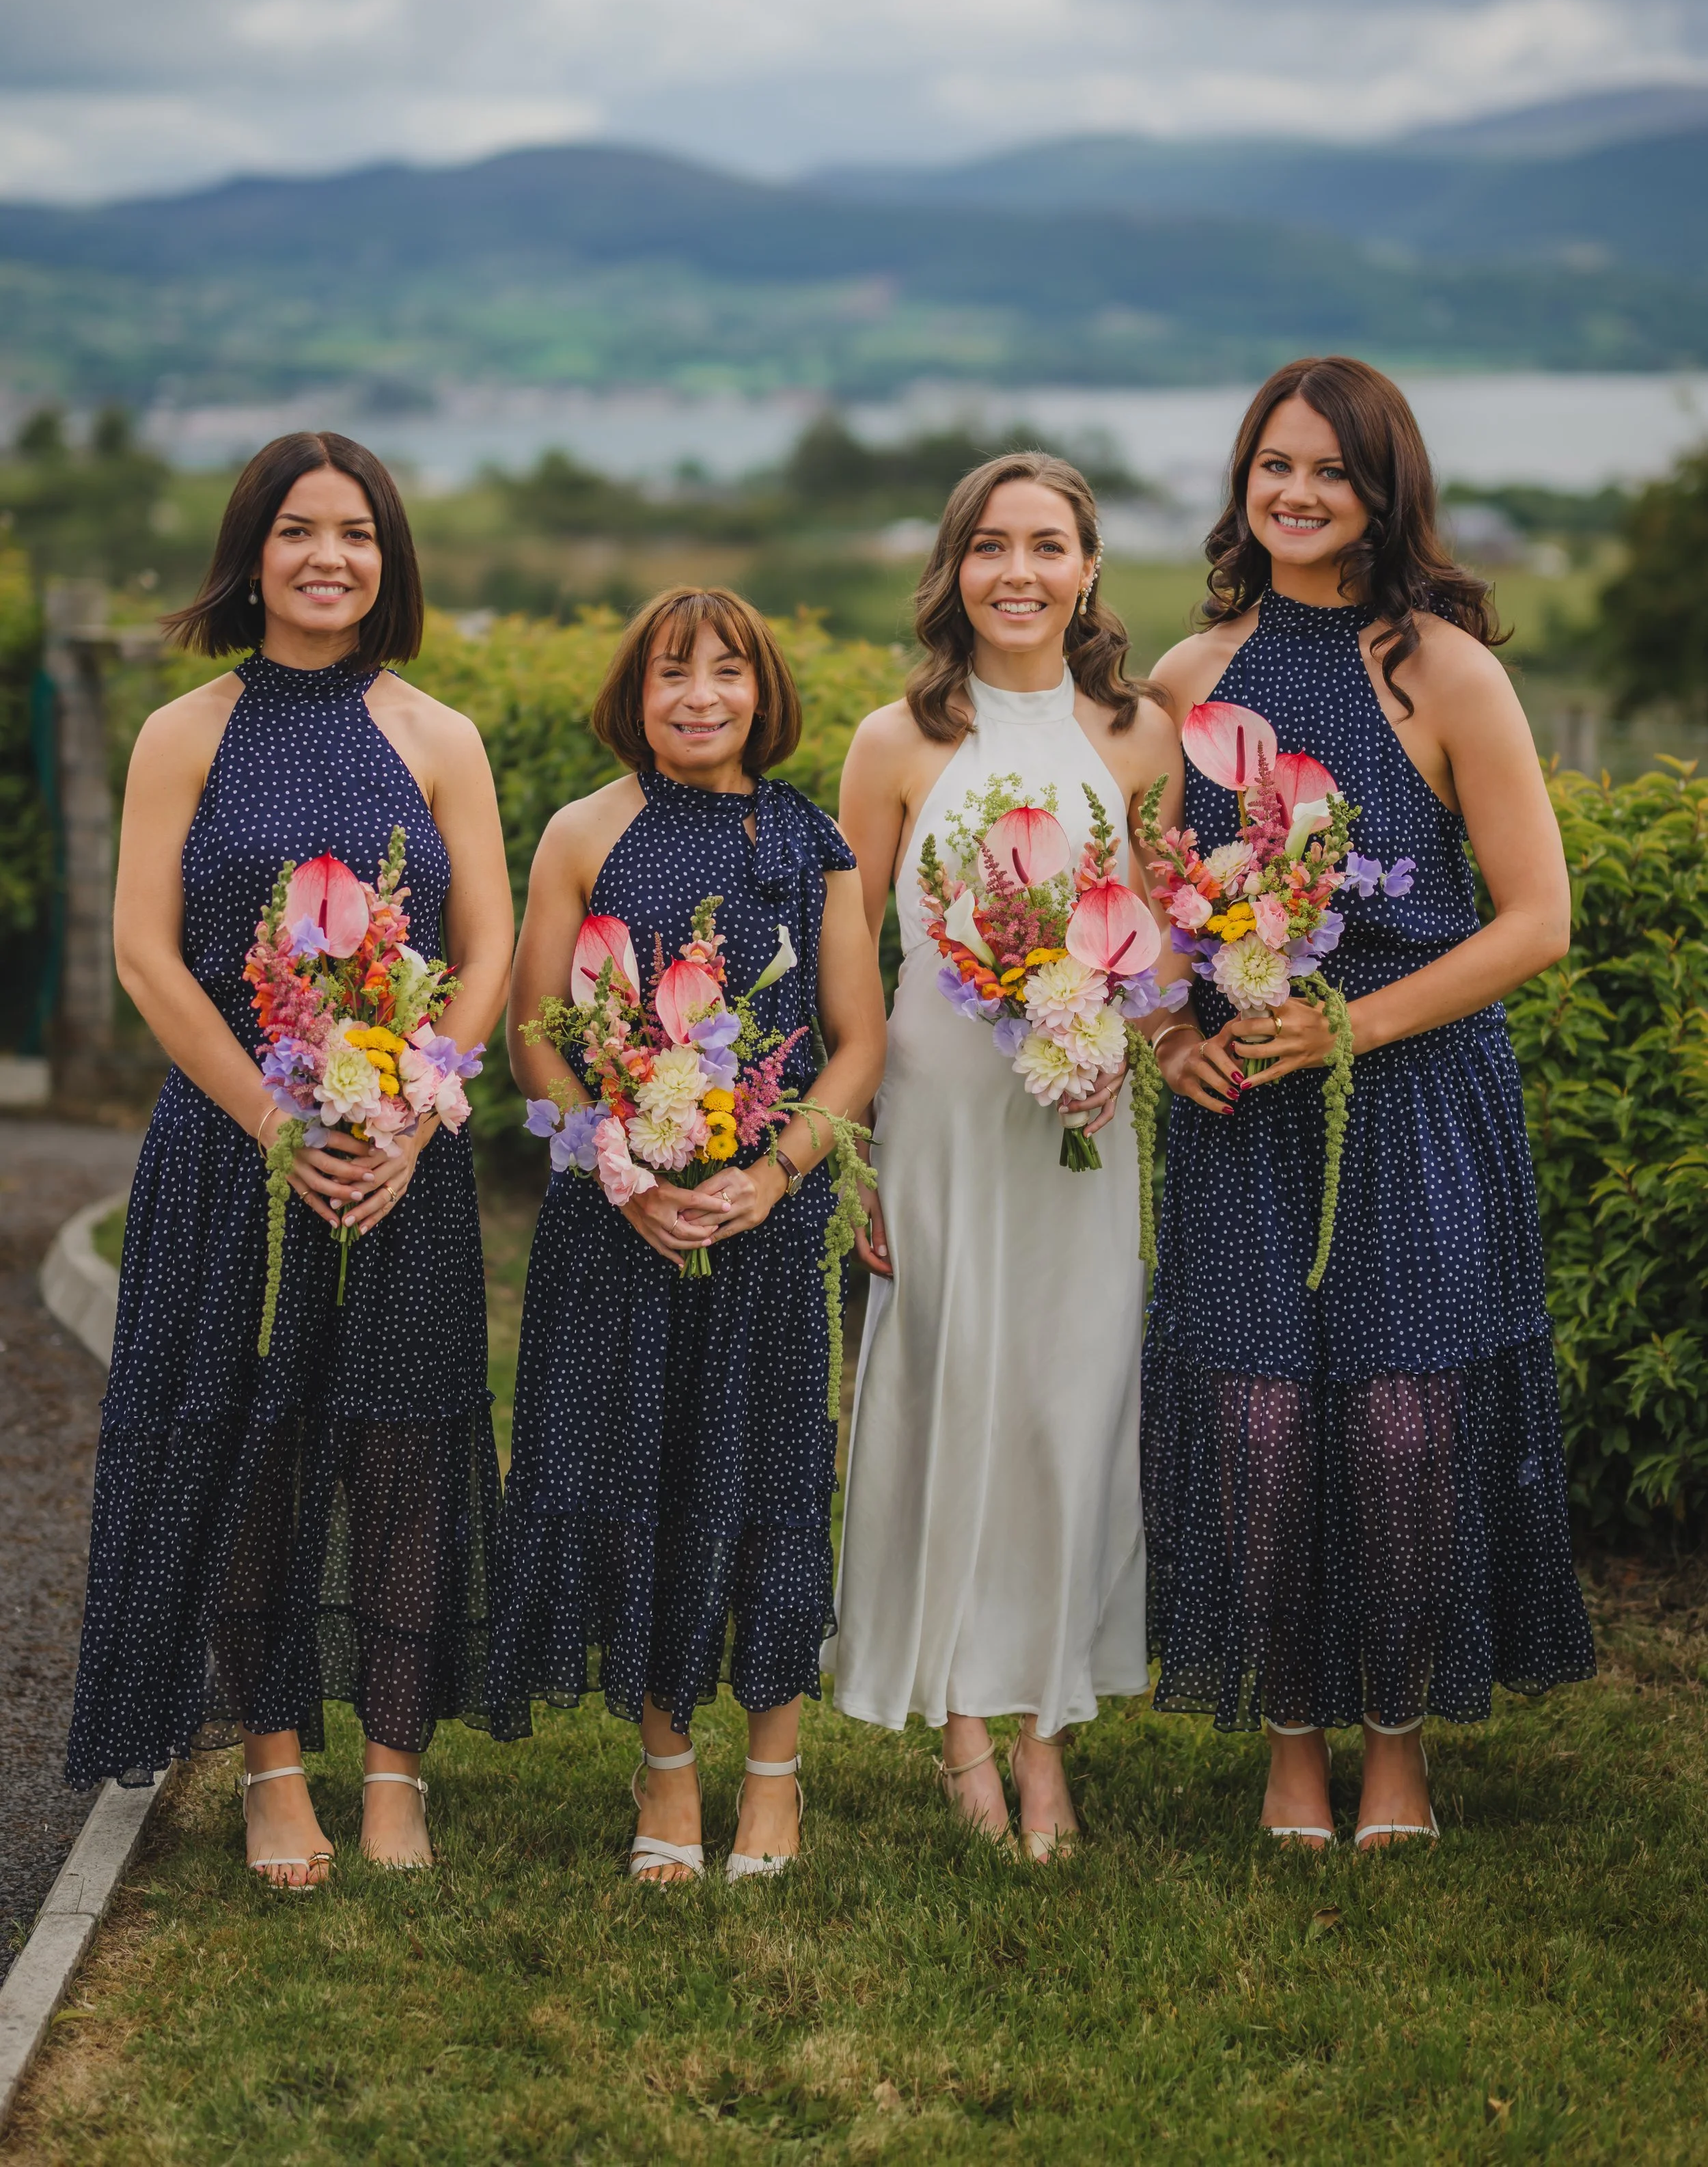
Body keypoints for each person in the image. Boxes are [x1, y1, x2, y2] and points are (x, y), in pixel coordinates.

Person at [1140, 355, 1595, 1850]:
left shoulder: (1441, 670)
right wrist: (1164, 1039)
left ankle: (1393, 1744)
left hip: (1411, 1101)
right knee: (1259, 1428)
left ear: (1380, 490)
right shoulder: (1187, 678)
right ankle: (1286, 1745)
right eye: (1271, 463)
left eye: (1327, 470)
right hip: (1242, 1118)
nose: (1294, 491)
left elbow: (1533, 920)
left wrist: (1356, 1027)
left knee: (1402, 1431)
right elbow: (1138, 916)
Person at [65, 433, 516, 1883]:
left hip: (403, 1159)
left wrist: (414, 1104)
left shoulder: (438, 734)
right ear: (251, 552)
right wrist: (275, 1122)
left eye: (360, 531)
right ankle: (271, 1763)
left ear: (390, 559)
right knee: (249, 1452)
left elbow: (490, 944)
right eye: (300, 529)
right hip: (228, 1158)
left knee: (399, 1456)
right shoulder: (184, 732)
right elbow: (145, 952)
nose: (331, 555)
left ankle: (394, 1773)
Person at [490, 586, 886, 1883]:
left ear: (765, 692)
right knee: (636, 1489)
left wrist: (777, 1175)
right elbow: (533, 1036)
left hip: (765, 1222)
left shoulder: (815, 841)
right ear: (634, 692)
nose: (701, 695)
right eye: (673, 672)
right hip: (619, 1223)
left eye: (727, 671)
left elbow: (857, 1039)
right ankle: (666, 1769)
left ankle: (772, 1777)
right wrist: (614, 1164)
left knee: (772, 1482)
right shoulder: (579, 833)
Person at [828, 453, 1181, 1858]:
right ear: (952, 567)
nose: (1017, 572)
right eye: (990, 546)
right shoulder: (892, 742)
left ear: (1088, 568)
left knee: (1068, 1412)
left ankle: (1046, 1727)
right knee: (943, 1398)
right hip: (938, 1117)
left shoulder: (1137, 736)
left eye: (1046, 545)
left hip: (1077, 1126)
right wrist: (852, 1158)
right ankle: (964, 1735)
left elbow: (1155, 948)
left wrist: (1124, 1049)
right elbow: (850, 960)